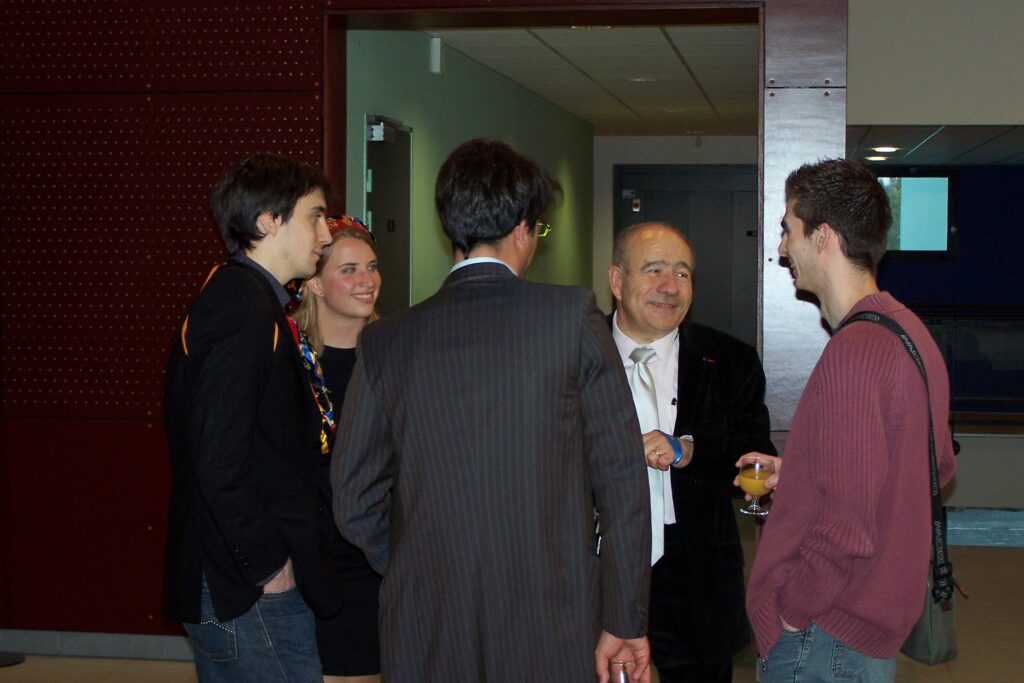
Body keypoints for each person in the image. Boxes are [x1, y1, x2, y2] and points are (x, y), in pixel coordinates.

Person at [331, 138, 653, 683]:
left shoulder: (387, 341)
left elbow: (353, 496)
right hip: (552, 614)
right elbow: (621, 480)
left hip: (424, 618)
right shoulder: (571, 317)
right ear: (523, 229)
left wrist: (418, 563)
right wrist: (622, 617)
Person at [740, 158, 957, 682]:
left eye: (789, 230)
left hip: (825, 635)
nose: (782, 249)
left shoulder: (856, 351)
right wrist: (803, 472)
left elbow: (844, 527)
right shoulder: (909, 332)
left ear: (824, 237)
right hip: (865, 634)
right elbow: (935, 467)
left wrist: (790, 610)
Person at [163, 153, 343, 682]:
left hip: (242, 577)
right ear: (268, 221)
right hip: (246, 584)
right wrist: (267, 565)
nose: (327, 234)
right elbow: (218, 457)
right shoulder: (239, 306)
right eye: (314, 215)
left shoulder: (248, 300)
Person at [607, 222, 776, 683]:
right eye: (655, 269)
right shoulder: (575, 355)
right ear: (617, 281)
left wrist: (688, 450)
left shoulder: (729, 360)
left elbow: (755, 457)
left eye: (683, 273)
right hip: (598, 570)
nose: (670, 287)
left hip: (696, 574)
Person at [293, 216, 383, 683]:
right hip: (309, 561)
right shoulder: (289, 362)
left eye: (371, 267)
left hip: (377, 559)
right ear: (315, 284)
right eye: (348, 270)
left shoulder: (396, 358)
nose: (366, 280)